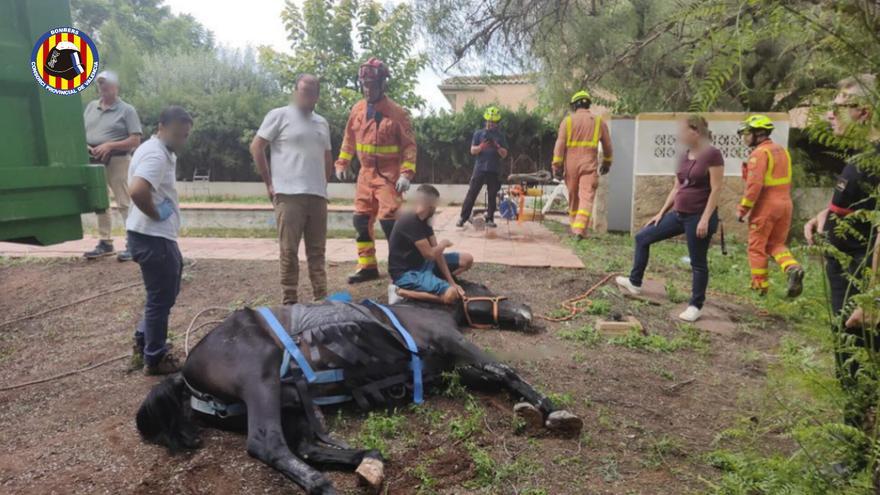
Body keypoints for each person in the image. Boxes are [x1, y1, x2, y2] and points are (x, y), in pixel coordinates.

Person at [804, 74, 879, 429]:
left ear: (863, 111)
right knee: (847, 362)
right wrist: (826, 216)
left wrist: (872, 298)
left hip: (861, 288)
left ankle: (859, 452)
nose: (829, 115)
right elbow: (863, 210)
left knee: (858, 366)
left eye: (838, 107)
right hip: (846, 283)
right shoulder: (864, 157)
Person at [616, 116, 724, 322]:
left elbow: (717, 188)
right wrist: (661, 212)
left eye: (683, 130)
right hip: (678, 215)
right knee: (642, 238)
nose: (679, 135)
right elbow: (677, 187)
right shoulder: (685, 156)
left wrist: (705, 218)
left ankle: (695, 305)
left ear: (696, 131)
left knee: (698, 262)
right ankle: (635, 282)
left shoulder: (712, 154)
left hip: (698, 217)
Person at [251, 74, 333, 305]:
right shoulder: (279, 115)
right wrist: (269, 182)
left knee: (317, 251)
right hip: (288, 195)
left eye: (313, 91)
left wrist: (323, 185)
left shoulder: (322, 122)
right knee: (289, 251)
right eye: (304, 90)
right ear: (296, 91)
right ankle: (290, 300)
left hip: (316, 196)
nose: (308, 95)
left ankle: (321, 297)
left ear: (317, 95)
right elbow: (257, 147)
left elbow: (327, 157)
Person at [335, 57, 418, 284]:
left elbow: (409, 146)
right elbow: (349, 139)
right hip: (365, 175)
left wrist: (405, 173)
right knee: (361, 221)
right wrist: (342, 163)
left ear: (383, 84)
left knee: (390, 222)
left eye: (372, 85)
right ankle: (367, 266)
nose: (367, 89)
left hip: (388, 177)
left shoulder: (397, 113)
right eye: (364, 84)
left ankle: (400, 267)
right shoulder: (358, 110)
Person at [126, 106, 193, 375]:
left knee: (164, 293)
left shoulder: (155, 149)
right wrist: (155, 213)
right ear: (161, 127)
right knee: (160, 298)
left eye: (185, 135)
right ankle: (155, 357)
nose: (181, 141)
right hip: (153, 237)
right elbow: (137, 190)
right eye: (177, 134)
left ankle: (144, 340)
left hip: (149, 236)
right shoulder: (156, 155)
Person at [736, 114, 804, 297]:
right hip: (785, 204)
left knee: (756, 246)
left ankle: (760, 287)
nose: (745, 137)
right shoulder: (781, 151)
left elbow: (754, 186)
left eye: (747, 133)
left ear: (758, 133)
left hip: (766, 206)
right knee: (776, 244)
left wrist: (743, 209)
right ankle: (792, 267)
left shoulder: (759, 154)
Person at [82, 70, 143, 261]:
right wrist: (86, 146)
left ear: (116, 87)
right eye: (100, 85)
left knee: (125, 202)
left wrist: (109, 145)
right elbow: (81, 131)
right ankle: (105, 242)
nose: (103, 88)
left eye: (107, 85)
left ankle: (134, 243)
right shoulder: (91, 107)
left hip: (118, 160)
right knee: (100, 202)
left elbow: (135, 140)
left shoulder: (127, 110)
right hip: (94, 160)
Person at [387, 184, 474, 305]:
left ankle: (437, 283)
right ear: (430, 204)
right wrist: (443, 244)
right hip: (406, 273)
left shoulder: (425, 219)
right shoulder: (410, 220)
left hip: (424, 264)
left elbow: (437, 254)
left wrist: (451, 281)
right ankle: (399, 291)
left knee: (467, 259)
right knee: (451, 296)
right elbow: (430, 254)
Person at [552, 89, 613, 238]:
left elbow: (559, 146)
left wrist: (556, 167)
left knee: (573, 197)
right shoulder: (598, 121)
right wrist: (607, 162)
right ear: (588, 105)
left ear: (574, 106)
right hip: (589, 164)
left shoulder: (567, 121)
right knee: (586, 196)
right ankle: (579, 230)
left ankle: (576, 228)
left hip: (571, 165)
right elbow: (607, 145)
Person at [456, 106, 509, 228]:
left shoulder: (500, 136)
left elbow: (505, 154)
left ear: (497, 123)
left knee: (492, 195)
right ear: (486, 121)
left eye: (493, 122)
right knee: (472, 193)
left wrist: (497, 146)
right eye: (489, 121)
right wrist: (481, 147)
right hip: (480, 168)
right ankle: (463, 218)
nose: (490, 124)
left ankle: (490, 219)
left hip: (494, 169)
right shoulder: (478, 134)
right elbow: (472, 151)